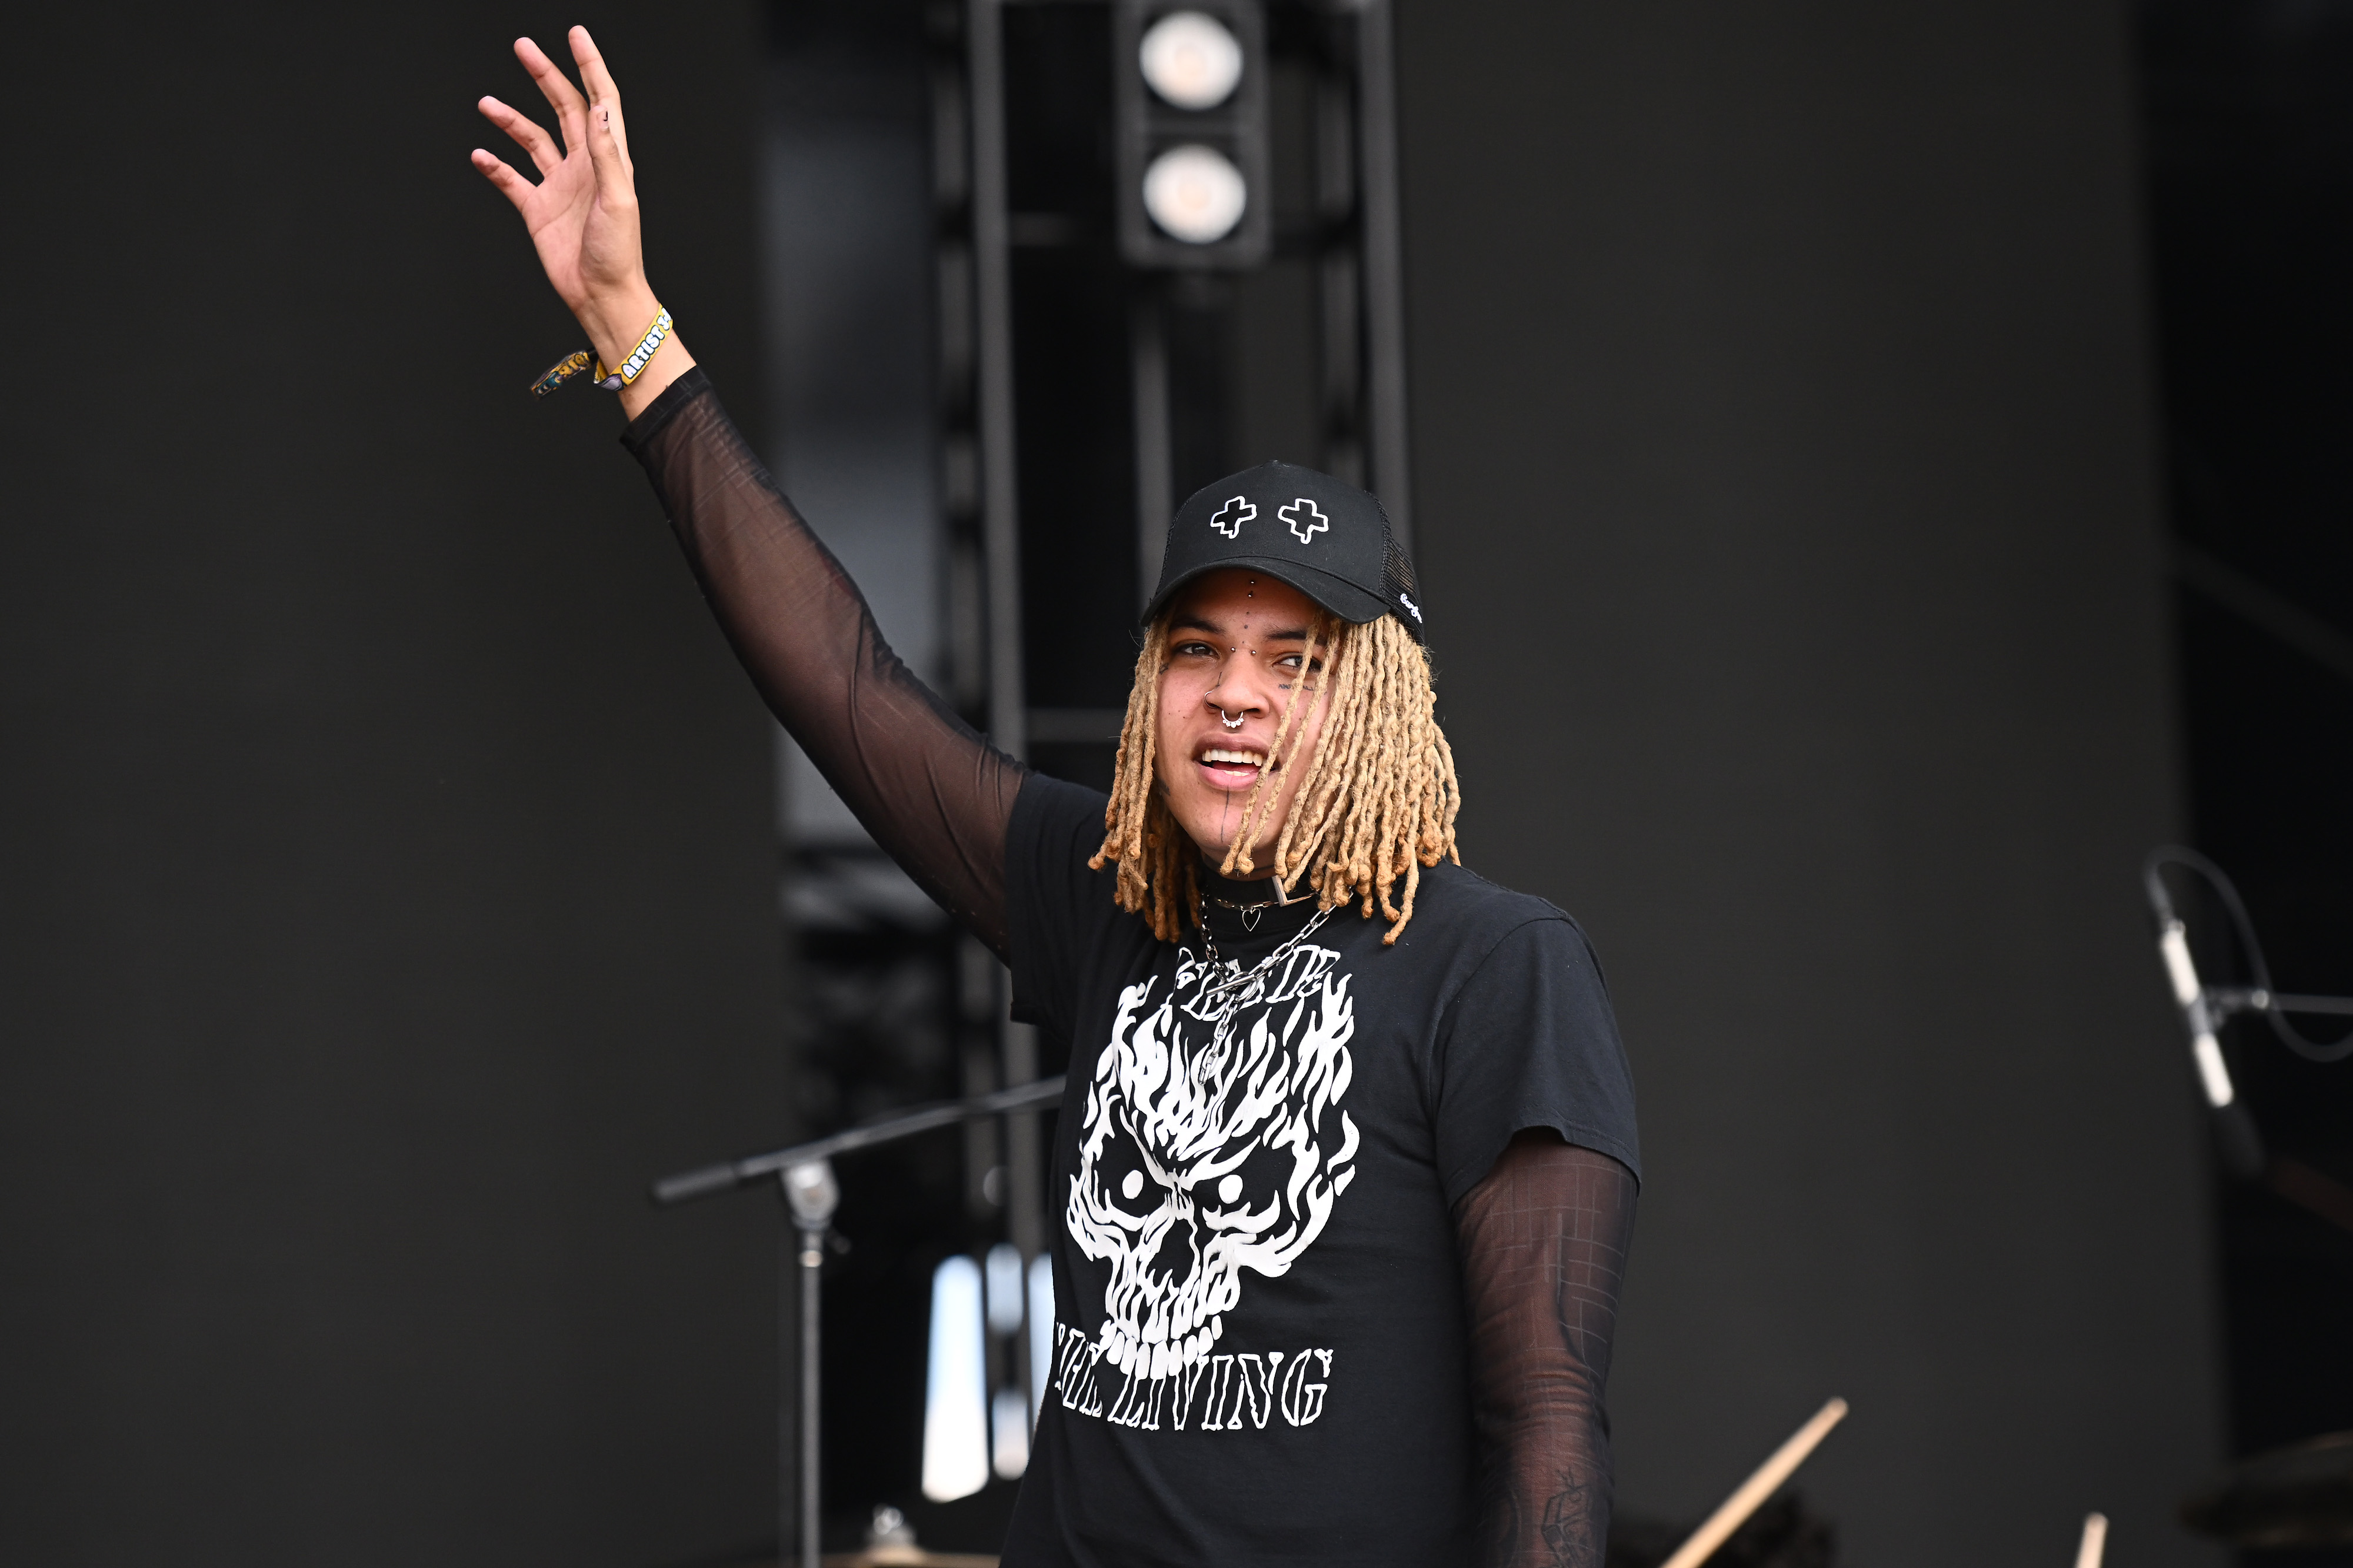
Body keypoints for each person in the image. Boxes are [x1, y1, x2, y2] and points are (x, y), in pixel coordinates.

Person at [473, 29, 1639, 1568]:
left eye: (1294, 658)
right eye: (1199, 649)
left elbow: (1546, 1422)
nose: (1235, 691)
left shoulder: (1497, 964)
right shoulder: (1106, 897)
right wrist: (630, 326)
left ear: (1375, 705)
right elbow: (847, 687)